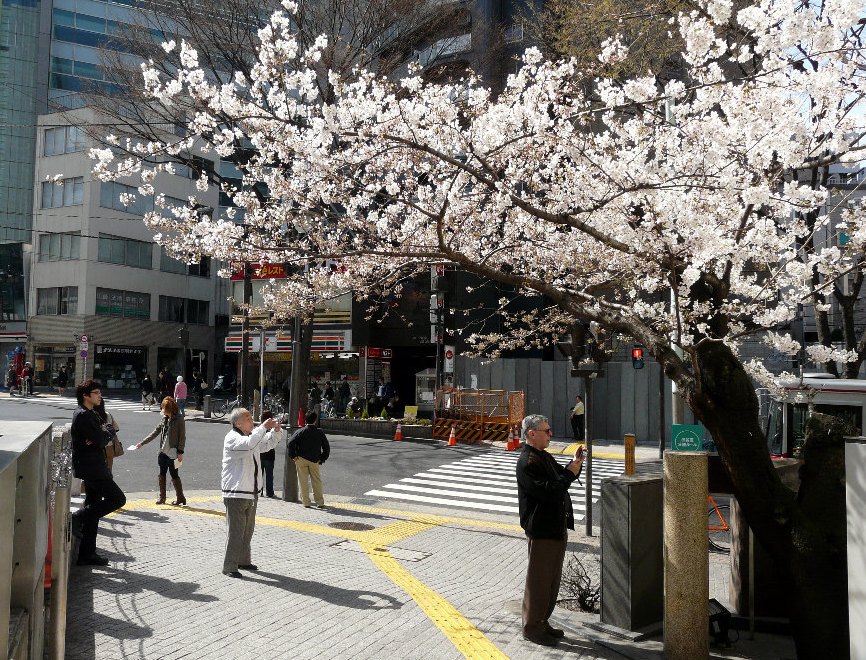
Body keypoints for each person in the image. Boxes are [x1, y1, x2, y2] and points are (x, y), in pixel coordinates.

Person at [516, 414, 585, 647]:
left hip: (555, 527)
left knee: (551, 581)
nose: (550, 434)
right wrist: (568, 473)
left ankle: (542, 621)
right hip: (542, 529)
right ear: (531, 434)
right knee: (539, 582)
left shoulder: (542, 456)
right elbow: (550, 490)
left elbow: (562, 477)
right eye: (546, 431)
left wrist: (574, 465)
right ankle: (531, 627)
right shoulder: (528, 462)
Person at [69, 380, 127, 566]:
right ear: (86, 396)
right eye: (96, 393)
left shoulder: (90, 413)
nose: (99, 396)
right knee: (118, 499)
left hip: (93, 465)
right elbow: (102, 440)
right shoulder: (83, 415)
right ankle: (78, 518)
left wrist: (102, 433)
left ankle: (87, 553)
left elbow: (106, 432)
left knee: (94, 506)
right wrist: (102, 434)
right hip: (92, 467)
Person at [221, 408, 283, 577]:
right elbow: (249, 445)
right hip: (236, 492)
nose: (251, 420)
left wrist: (276, 431)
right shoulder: (233, 438)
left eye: (250, 417)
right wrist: (263, 427)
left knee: (247, 530)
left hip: (250, 491)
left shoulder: (250, 437)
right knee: (236, 531)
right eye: (247, 418)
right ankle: (230, 566)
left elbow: (267, 444)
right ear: (238, 423)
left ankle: (243, 560)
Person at [136, 396, 187, 506]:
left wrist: (180, 452)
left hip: (173, 452)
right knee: (162, 474)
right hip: (163, 452)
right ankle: (162, 497)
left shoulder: (179, 419)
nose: (162, 410)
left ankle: (180, 497)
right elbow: (155, 432)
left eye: (164, 408)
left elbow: (182, 437)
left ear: (170, 409)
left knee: (174, 475)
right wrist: (142, 443)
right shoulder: (164, 419)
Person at [288, 411, 330, 508]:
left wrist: (293, 456)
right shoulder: (319, 432)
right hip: (315, 459)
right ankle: (319, 502)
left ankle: (306, 502)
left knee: (303, 481)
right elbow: (326, 447)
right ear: (315, 420)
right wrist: (322, 458)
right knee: (316, 480)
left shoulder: (300, 431)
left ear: (305, 420)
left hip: (301, 459)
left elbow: (290, 443)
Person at [94, 399, 122, 475]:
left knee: (95, 471)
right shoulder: (108, 414)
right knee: (108, 470)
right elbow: (116, 428)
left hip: (96, 447)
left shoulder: (91, 415)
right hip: (109, 446)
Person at [259, 410, 278, 498]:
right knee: (269, 475)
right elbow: (275, 442)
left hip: (260, 455)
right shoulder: (272, 430)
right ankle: (270, 492)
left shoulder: (259, 429)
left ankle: (259, 491)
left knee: (259, 474)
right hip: (270, 456)